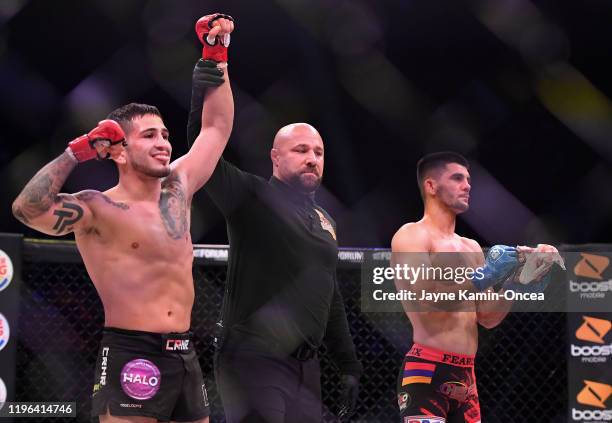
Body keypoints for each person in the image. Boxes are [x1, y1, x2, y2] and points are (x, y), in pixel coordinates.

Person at [11, 13, 235, 423]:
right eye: (149, 136)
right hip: (132, 352)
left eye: (165, 135)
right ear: (118, 150)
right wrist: (76, 153)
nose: (164, 143)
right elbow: (28, 209)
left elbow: (216, 128)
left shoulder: (179, 190)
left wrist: (215, 53)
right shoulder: (98, 207)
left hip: (185, 353)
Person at [186, 90, 362, 421]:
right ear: (275, 157)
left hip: (306, 366)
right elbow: (201, 146)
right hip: (252, 356)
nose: (312, 158)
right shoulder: (252, 197)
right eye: (301, 150)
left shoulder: (325, 221)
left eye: (319, 152)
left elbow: (329, 290)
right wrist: (209, 70)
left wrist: (347, 363)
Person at [391, 152, 560, 423]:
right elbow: (426, 299)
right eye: (457, 178)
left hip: (467, 377)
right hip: (427, 370)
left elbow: (488, 318)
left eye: (468, 179)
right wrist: (484, 277)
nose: (467, 185)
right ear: (431, 186)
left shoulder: (471, 248)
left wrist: (515, 283)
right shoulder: (412, 236)